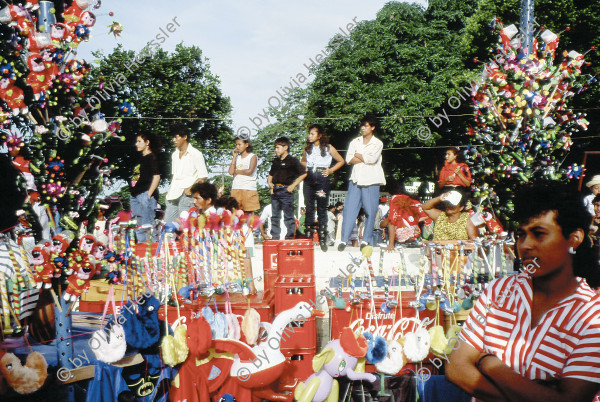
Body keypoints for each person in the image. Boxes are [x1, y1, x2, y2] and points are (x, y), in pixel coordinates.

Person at [447, 183, 600, 402]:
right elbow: (456, 368)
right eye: (521, 235)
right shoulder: (499, 292)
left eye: (539, 234)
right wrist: (533, 393)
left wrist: (488, 363)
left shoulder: (592, 316)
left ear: (573, 238)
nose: (525, 245)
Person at [338, 115, 385, 251]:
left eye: (366, 125)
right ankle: (343, 240)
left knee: (371, 211)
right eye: (362, 125)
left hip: (371, 179)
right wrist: (362, 157)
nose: (363, 128)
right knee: (349, 210)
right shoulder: (355, 141)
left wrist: (357, 155)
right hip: (356, 179)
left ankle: (366, 239)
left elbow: (372, 159)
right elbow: (349, 159)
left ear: (372, 127)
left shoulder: (378, 143)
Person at [301, 124, 344, 251]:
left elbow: (341, 160)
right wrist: (304, 169)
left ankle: (322, 238)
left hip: (321, 178)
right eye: (309, 133)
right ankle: (308, 238)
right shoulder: (307, 149)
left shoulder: (328, 148)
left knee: (321, 208)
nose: (310, 136)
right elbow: (303, 161)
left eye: (313, 134)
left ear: (319, 135)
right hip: (309, 178)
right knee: (309, 207)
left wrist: (330, 170)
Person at [164, 124, 208, 223]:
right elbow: (174, 176)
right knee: (168, 225)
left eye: (176, 136)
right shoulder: (174, 155)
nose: (173, 140)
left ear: (185, 137)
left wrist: (191, 188)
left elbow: (202, 177)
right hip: (173, 193)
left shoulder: (196, 154)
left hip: (188, 194)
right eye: (173, 137)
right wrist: (170, 190)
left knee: (185, 225)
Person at [267, 137, 307, 240]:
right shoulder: (276, 161)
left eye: (278, 147)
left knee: (288, 216)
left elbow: (303, 174)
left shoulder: (293, 161)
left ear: (286, 147)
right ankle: (274, 237)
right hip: (276, 190)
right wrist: (270, 183)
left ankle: (289, 237)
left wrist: (293, 185)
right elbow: (270, 175)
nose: (276, 150)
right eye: (275, 148)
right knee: (275, 216)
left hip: (286, 191)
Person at [130, 133, 161, 243]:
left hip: (145, 195)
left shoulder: (151, 157)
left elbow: (157, 177)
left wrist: (148, 195)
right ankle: (142, 253)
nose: (136, 144)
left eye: (139, 141)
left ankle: (151, 254)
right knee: (139, 227)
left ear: (147, 143)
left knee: (147, 226)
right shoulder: (141, 158)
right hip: (135, 195)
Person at [384, 186, 431, 251]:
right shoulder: (416, 203)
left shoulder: (396, 201)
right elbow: (428, 215)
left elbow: (391, 223)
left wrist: (391, 244)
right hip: (414, 239)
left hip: (405, 240)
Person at [228, 137, 260, 213]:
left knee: (248, 214)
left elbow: (249, 171)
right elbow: (231, 172)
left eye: (239, 144)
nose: (237, 147)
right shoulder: (237, 158)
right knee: (236, 212)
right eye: (236, 145)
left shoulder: (252, 156)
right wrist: (234, 157)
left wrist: (237, 171)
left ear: (246, 145)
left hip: (248, 188)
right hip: (236, 187)